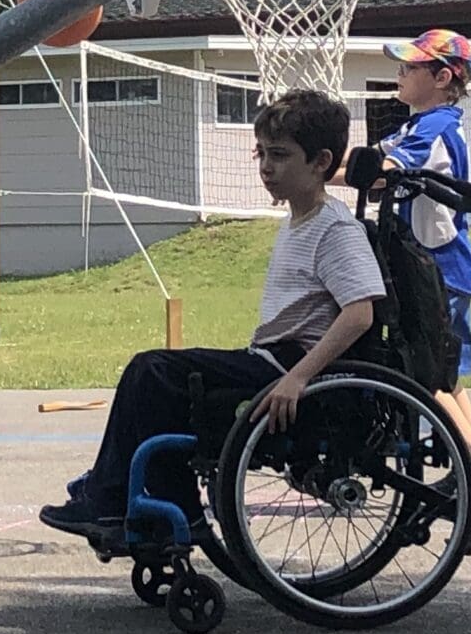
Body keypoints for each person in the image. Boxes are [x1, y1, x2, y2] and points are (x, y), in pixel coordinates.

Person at [41, 89, 386, 540]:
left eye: (280, 155)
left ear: (321, 162)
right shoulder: (298, 221)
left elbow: (360, 314)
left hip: (289, 366)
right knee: (161, 382)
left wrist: (297, 378)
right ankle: (157, 504)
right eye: (262, 153)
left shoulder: (335, 228)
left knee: (152, 370)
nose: (266, 167)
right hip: (269, 357)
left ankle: (117, 500)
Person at [379, 29, 471, 507]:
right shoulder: (420, 125)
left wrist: (310, 171)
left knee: (421, 372)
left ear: (441, 78)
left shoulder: (433, 128)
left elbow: (382, 172)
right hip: (441, 268)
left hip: (434, 269)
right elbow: (373, 161)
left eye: (410, 67)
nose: (400, 73)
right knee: (447, 376)